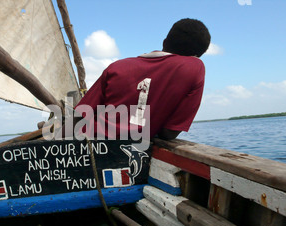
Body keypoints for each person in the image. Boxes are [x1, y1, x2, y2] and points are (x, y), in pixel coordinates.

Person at [72, 18, 211, 144]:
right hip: (133, 149)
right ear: (197, 56)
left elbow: (80, 113)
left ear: (164, 42)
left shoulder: (118, 66)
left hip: (90, 143)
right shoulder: (195, 68)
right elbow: (168, 133)